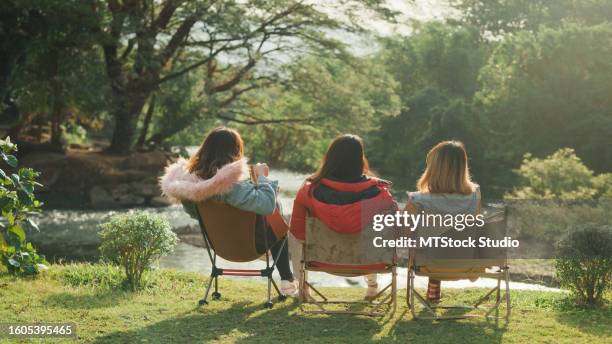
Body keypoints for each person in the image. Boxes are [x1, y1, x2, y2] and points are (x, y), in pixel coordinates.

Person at [160, 127, 297, 296]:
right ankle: (287, 280)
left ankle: (287, 281)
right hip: (251, 245)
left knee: (271, 217)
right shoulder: (233, 186)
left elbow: (195, 214)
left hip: (220, 245)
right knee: (277, 220)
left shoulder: (191, 185)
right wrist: (262, 178)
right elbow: (267, 206)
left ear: (205, 149)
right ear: (235, 151)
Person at [290, 134, 397, 300]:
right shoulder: (381, 195)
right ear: (360, 159)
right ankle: (372, 286)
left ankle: (303, 288)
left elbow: (297, 233)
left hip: (322, 262)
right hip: (370, 264)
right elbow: (395, 234)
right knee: (379, 229)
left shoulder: (308, 191)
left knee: (294, 235)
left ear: (330, 158)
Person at [405, 140, 481, 303]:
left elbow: (402, 230)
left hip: (429, 264)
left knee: (426, 240)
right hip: (466, 263)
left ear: (433, 169)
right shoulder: (475, 195)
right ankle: (434, 290)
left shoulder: (417, 199)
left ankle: (434, 287)